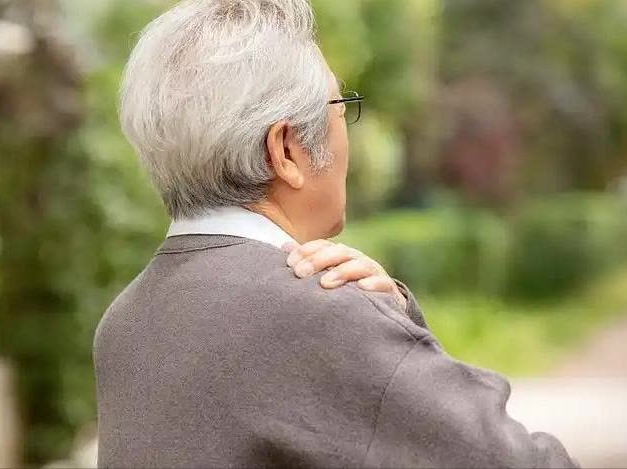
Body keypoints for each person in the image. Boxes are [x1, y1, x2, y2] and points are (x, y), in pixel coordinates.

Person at [93, 0, 578, 467]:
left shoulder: (123, 324)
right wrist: (379, 322)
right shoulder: (321, 315)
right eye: (341, 108)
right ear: (285, 151)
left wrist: (391, 318)